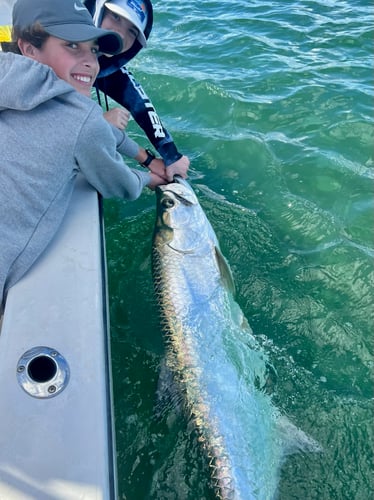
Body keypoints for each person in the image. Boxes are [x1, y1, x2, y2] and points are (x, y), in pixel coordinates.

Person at [0, 0, 170, 311]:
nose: (90, 62)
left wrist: (145, 155)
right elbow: (121, 185)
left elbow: (92, 127)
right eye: (72, 46)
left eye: (93, 50)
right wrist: (149, 177)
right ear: (29, 48)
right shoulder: (83, 122)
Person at [84, 0, 190, 181]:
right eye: (115, 16)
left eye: (132, 31)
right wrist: (96, 124)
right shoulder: (57, 51)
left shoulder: (106, 66)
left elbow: (141, 105)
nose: (120, 33)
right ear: (97, 10)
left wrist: (170, 155)